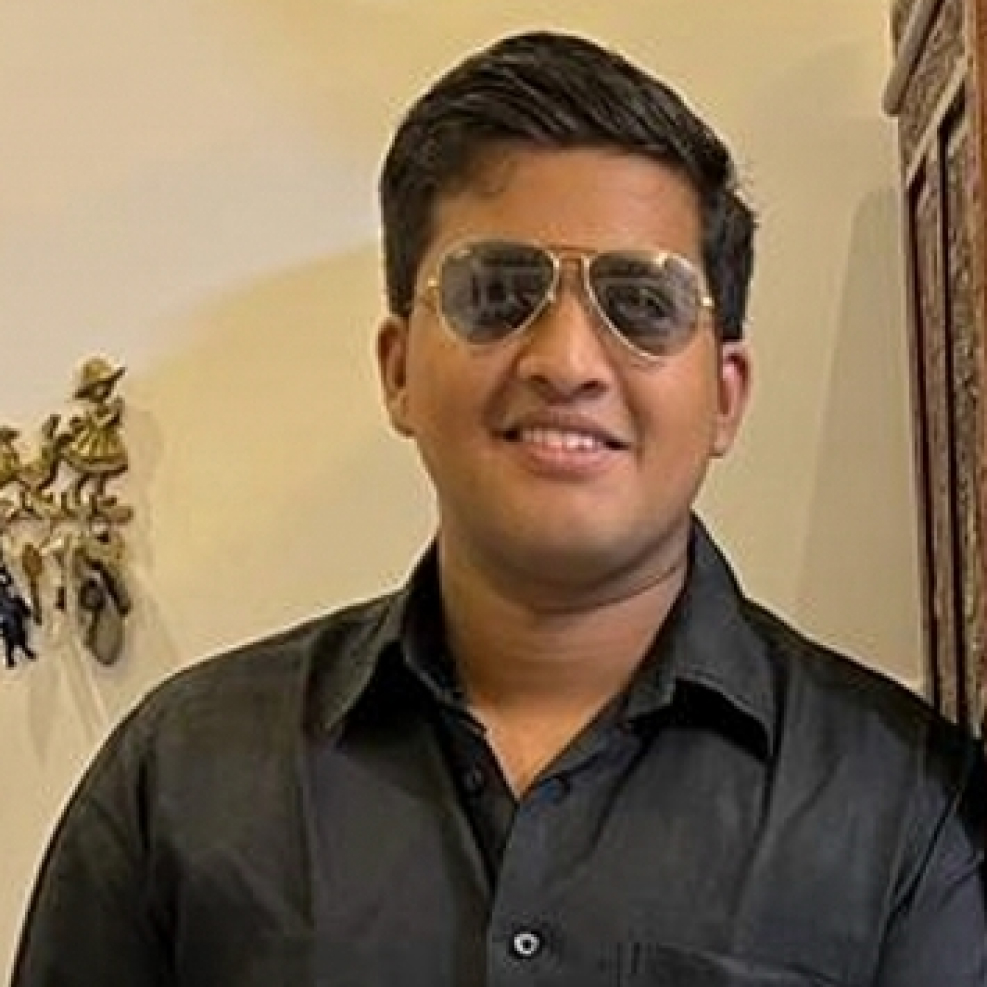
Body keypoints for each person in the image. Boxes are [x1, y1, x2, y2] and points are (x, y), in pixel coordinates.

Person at [11, 30, 985, 987]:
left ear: (724, 395)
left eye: (642, 303)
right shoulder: (181, 781)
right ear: (398, 368)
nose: (565, 361)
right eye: (496, 292)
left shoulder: (907, 813)